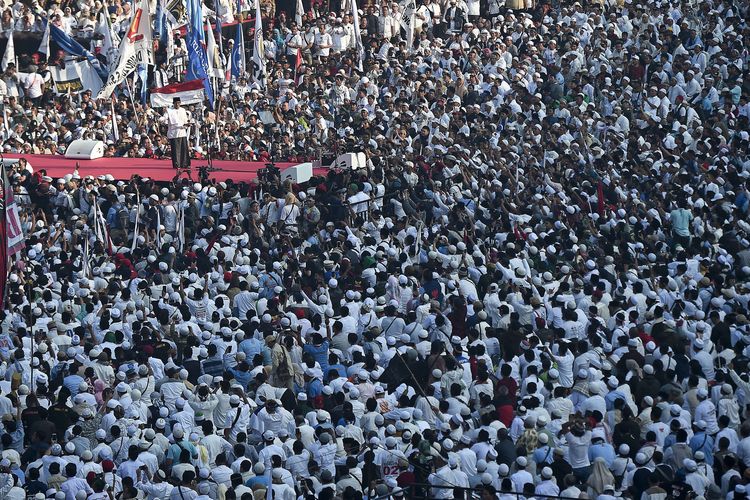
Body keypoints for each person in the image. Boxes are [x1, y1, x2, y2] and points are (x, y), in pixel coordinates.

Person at [159, 97, 192, 170]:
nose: (177, 104)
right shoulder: (169, 111)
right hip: (174, 133)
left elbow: (185, 120)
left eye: (178, 103)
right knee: (176, 150)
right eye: (176, 103)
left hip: (182, 132)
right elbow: (164, 118)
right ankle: (177, 164)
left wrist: (187, 124)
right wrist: (161, 119)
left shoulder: (183, 110)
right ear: (173, 103)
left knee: (184, 149)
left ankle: (185, 164)